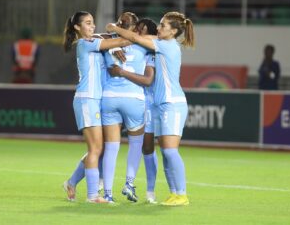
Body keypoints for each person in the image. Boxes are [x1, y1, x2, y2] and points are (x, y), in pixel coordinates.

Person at [106, 11, 195, 206]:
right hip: (160, 104)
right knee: (164, 151)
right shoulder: (164, 42)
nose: (159, 28)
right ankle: (173, 193)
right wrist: (115, 46)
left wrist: (114, 28)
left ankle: (182, 194)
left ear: (173, 31)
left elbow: (136, 37)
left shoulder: (167, 46)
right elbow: (138, 38)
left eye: (163, 25)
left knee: (171, 151)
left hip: (172, 103)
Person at [62, 11, 130, 203]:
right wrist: (130, 36)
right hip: (87, 99)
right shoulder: (84, 43)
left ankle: (71, 183)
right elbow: (120, 42)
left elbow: (107, 39)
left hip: (95, 100)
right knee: (96, 149)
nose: (92, 26)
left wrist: (112, 40)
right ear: (77, 27)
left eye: (93, 23)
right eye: (88, 23)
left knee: (98, 149)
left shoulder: (93, 42)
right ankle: (93, 196)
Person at [108, 18, 159, 204]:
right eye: (137, 29)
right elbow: (110, 32)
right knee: (108, 144)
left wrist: (121, 72)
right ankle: (101, 185)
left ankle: (150, 191)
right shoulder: (128, 46)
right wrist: (114, 44)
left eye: (143, 30)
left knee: (147, 147)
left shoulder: (152, 49)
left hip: (149, 101)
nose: (138, 33)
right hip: (129, 98)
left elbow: (148, 80)